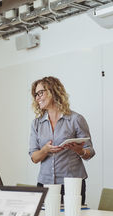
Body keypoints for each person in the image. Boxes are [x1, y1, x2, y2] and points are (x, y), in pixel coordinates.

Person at [28, 76, 95, 204]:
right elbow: (34, 158)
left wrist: (80, 150)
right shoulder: (36, 124)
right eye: (35, 95)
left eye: (40, 93)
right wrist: (45, 150)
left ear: (53, 91)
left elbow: (90, 152)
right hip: (45, 184)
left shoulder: (76, 119)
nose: (37, 98)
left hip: (72, 185)